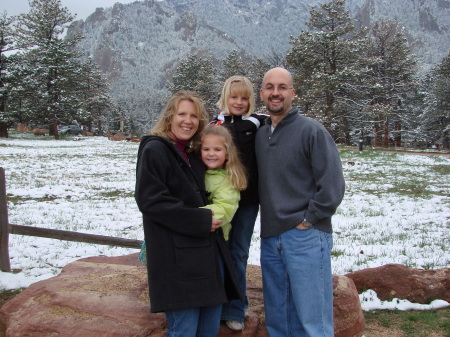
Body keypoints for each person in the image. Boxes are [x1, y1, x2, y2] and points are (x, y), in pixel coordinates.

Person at [134, 90, 242, 337]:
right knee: (184, 329)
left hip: (204, 255)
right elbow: (151, 201)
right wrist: (201, 219)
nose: (188, 120)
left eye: (194, 115)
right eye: (182, 114)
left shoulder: (193, 153)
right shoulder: (156, 150)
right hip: (176, 259)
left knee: (208, 329)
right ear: (170, 117)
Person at [255, 67, 345, 337]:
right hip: (271, 238)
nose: (275, 93)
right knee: (279, 321)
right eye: (269, 87)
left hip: (305, 236)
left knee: (312, 323)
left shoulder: (312, 131)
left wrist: (309, 219)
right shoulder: (260, 134)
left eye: (282, 87)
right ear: (261, 93)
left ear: (293, 93)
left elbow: (332, 185)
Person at [211, 75, 267, 331]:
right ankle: (213, 304)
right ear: (225, 97)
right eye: (234, 97)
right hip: (220, 199)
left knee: (238, 252)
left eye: (244, 98)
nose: (239, 102)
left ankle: (235, 308)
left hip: (246, 202)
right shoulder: (215, 125)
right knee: (216, 252)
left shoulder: (257, 123)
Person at [200, 124, 247, 241]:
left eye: (217, 149)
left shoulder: (227, 181)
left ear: (227, 153)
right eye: (206, 149)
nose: (211, 154)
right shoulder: (197, 172)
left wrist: (197, 217)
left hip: (215, 238)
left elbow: (225, 207)